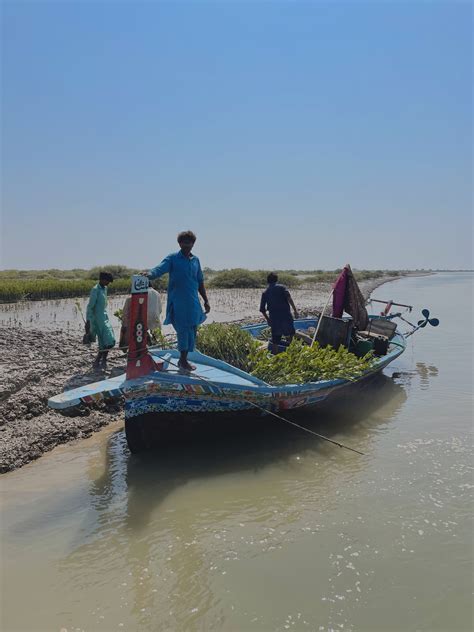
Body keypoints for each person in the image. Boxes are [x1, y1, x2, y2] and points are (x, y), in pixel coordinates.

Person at [144, 230, 210, 371]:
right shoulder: (173, 258)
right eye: (184, 242)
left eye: (189, 242)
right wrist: (149, 274)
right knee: (182, 330)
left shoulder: (196, 260)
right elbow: (159, 269)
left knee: (192, 329)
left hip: (193, 301)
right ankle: (183, 360)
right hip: (178, 301)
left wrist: (206, 300)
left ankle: (184, 358)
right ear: (179, 243)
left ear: (193, 243)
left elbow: (200, 281)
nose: (187, 245)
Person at [260, 272, 299, 354]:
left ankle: (276, 355)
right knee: (290, 336)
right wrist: (295, 310)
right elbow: (289, 299)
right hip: (286, 317)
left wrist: (268, 320)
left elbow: (262, 310)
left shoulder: (265, 293)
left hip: (274, 319)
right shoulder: (282, 288)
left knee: (275, 340)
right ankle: (292, 353)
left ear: (268, 281)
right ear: (276, 280)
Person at [85, 271, 116, 370]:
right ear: (102, 280)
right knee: (105, 342)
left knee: (109, 341)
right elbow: (90, 307)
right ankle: (101, 361)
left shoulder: (105, 289)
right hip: (97, 320)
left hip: (104, 317)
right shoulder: (95, 290)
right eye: (107, 281)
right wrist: (89, 321)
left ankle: (100, 360)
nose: (108, 283)